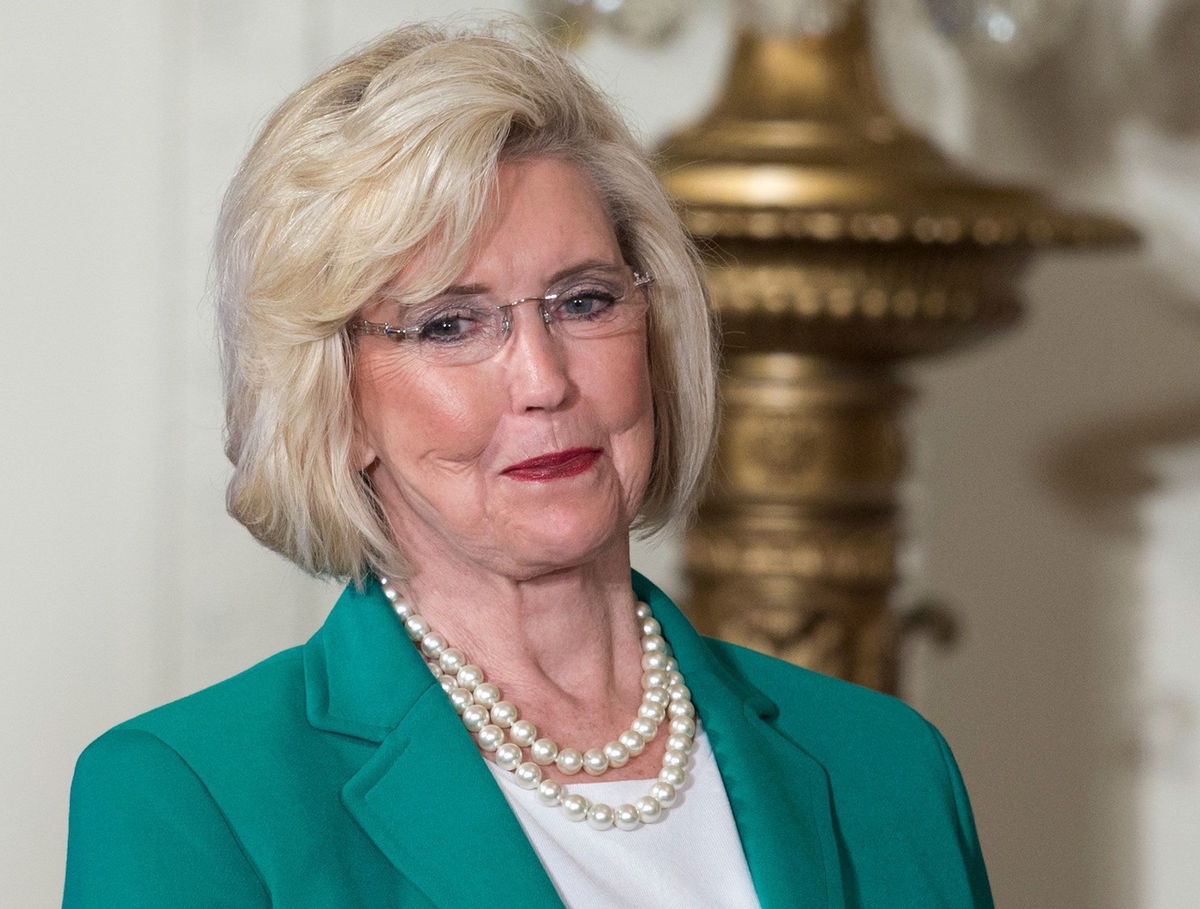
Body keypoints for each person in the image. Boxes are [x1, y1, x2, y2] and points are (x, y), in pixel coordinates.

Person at [64, 19, 992, 908]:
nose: (544, 380)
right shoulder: (195, 797)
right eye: (451, 324)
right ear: (335, 400)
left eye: (583, 302)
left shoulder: (889, 765)